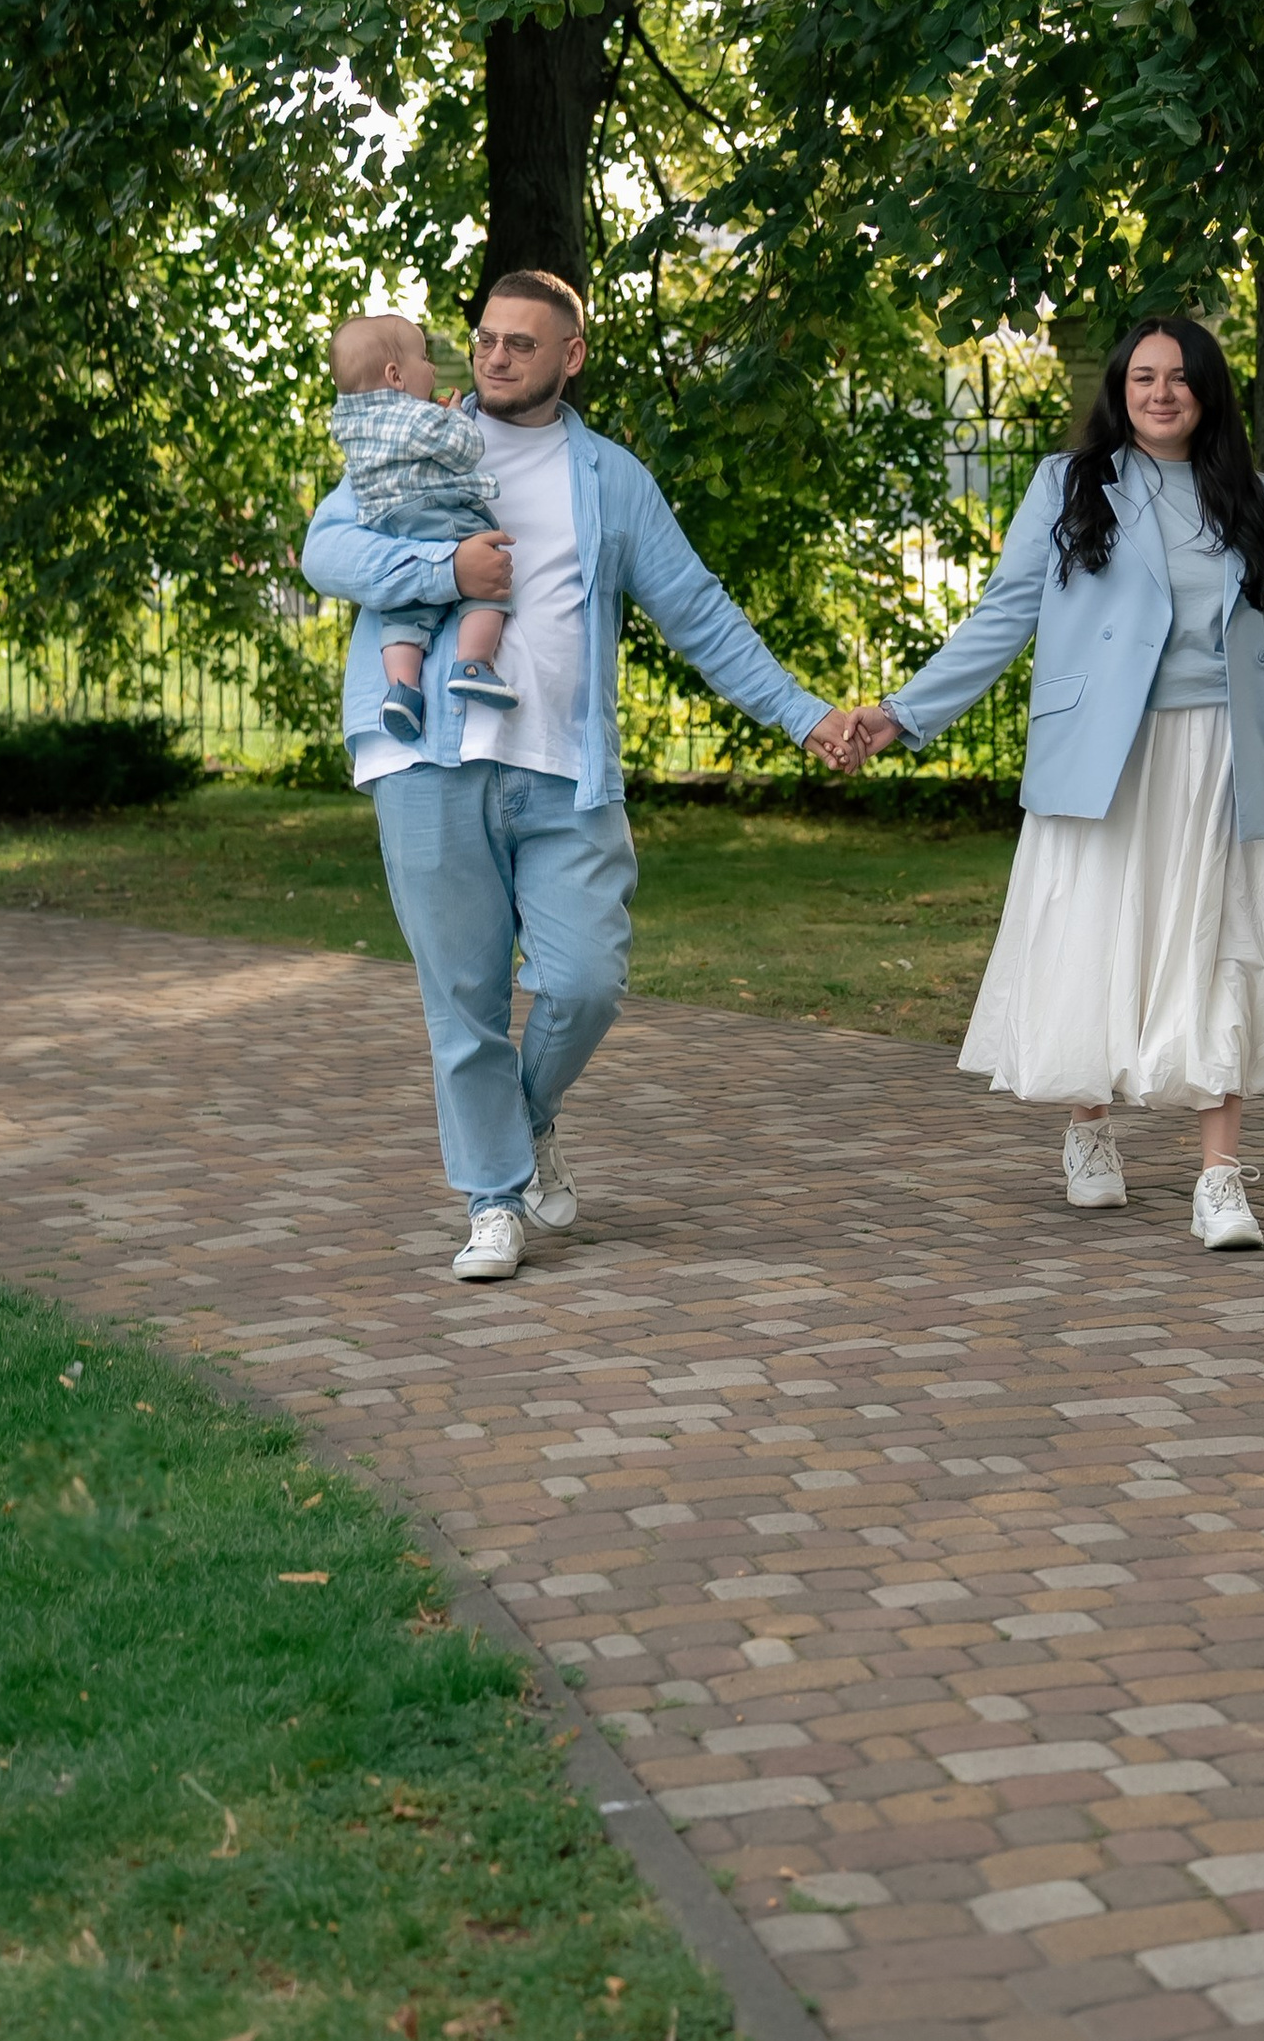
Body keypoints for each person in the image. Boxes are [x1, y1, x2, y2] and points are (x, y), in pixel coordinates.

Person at [300, 268, 856, 1282]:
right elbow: (325, 552)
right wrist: (443, 575)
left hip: (562, 767)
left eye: (521, 340)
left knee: (587, 979)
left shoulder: (610, 477)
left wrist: (805, 714)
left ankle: (518, 1123)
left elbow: (699, 611)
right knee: (462, 1000)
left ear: (571, 354)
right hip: (426, 758)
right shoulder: (411, 436)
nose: (495, 355)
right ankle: (493, 1202)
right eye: (483, 338)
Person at [831, 317, 1264, 1252]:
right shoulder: (1068, 487)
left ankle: (1219, 1179)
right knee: (1096, 937)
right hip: (1102, 750)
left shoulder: (1263, 500)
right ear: (1119, 388)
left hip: (1222, 758)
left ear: (1209, 391)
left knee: (1219, 942)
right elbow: (1003, 616)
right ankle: (1088, 1126)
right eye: (1143, 376)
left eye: (1181, 377)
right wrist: (898, 713)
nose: (1161, 392)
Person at [326, 312, 517, 738]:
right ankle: (472, 664)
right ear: (395, 376)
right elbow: (464, 449)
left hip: (388, 524)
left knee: (403, 613)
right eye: (423, 357)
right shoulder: (412, 417)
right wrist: (452, 418)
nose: (431, 368)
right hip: (433, 509)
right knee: (491, 575)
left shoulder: (350, 422)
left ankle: (402, 689)